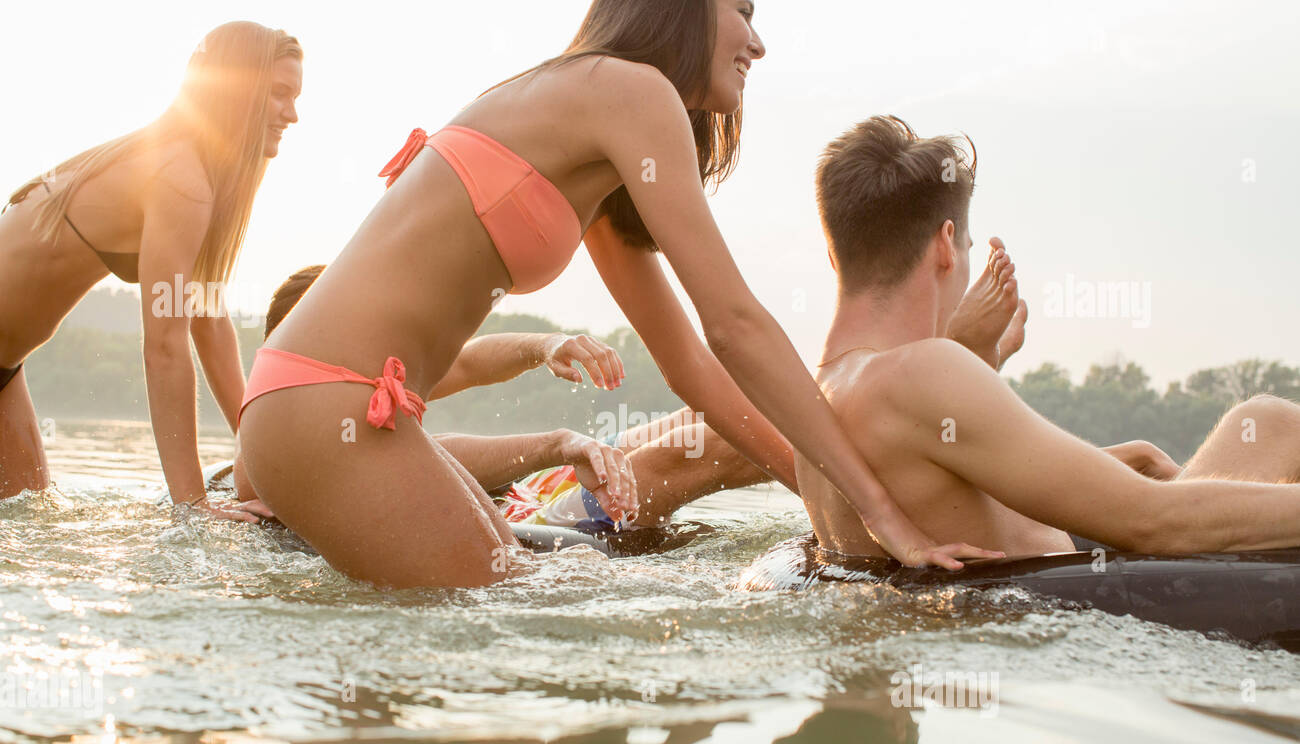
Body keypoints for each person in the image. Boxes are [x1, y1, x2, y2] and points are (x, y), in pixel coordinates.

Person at [237, 0, 1011, 589]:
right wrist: (876, 509)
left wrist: (822, 497)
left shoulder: (599, 129)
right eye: (741, 9)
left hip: (331, 410)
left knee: (526, 594)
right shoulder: (630, 92)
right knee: (511, 617)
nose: (758, 40)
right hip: (327, 405)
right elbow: (735, 324)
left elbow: (692, 369)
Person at [799, 115, 1300, 558]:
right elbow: (1151, 522)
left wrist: (977, 354)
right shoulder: (922, 370)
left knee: (1260, 425)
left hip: (982, 615)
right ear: (946, 246)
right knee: (1272, 422)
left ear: (833, 254)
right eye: (968, 248)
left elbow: (955, 485)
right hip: (1089, 622)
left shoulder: (811, 399)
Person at [0, 21, 302, 521]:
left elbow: (209, 323)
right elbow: (164, 345)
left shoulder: (196, 175)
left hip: (8, 371)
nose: (292, 113)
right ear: (238, 89)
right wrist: (193, 506)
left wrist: (262, 458)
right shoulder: (180, 177)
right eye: (279, 94)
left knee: (29, 515)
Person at [232, 265, 767, 531]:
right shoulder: (274, 441)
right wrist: (559, 443)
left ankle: (837, 419)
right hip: (529, 533)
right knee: (708, 442)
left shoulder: (365, 375)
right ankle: (849, 457)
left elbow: (466, 359)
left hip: (520, 497)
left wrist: (546, 345)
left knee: (708, 409)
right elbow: (432, 456)